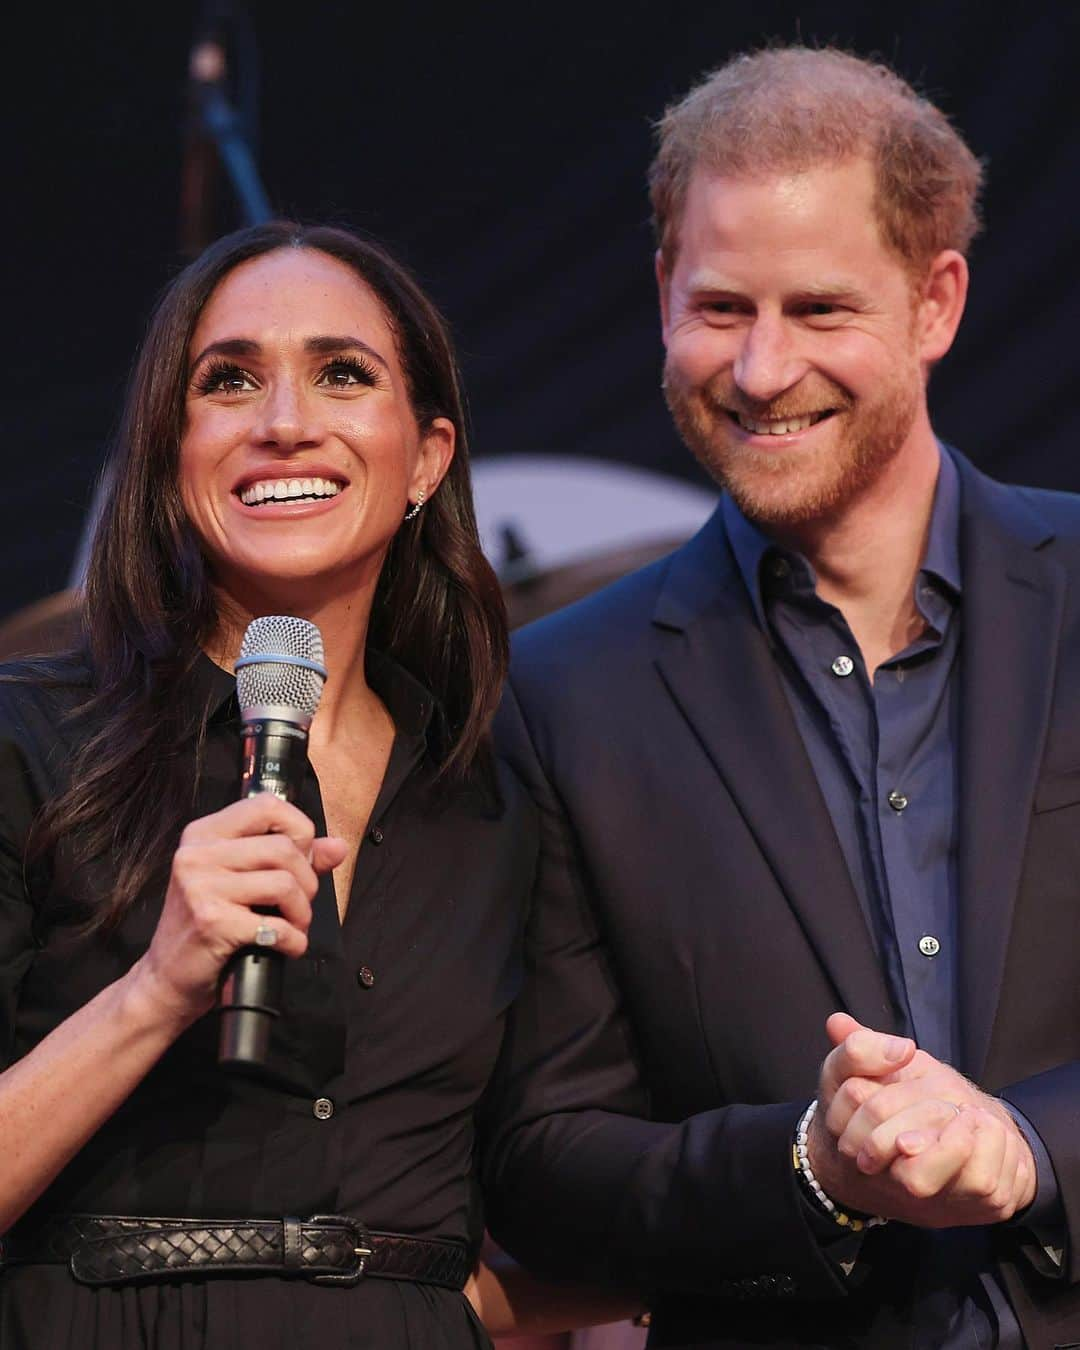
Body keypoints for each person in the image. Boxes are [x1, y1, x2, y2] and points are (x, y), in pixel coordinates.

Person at [486, 47, 1080, 1349]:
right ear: (660, 292)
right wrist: (809, 1160)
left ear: (937, 304)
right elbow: (542, 1159)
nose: (760, 371)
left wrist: (1031, 1144)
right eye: (720, 308)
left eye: (819, 310)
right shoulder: (562, 693)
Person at [0, 220, 546, 1349]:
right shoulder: (27, 742)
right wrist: (153, 992)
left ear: (428, 457)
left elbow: (557, 1171)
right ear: (169, 450)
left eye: (343, 374)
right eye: (228, 380)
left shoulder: (495, 794)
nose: (285, 423)